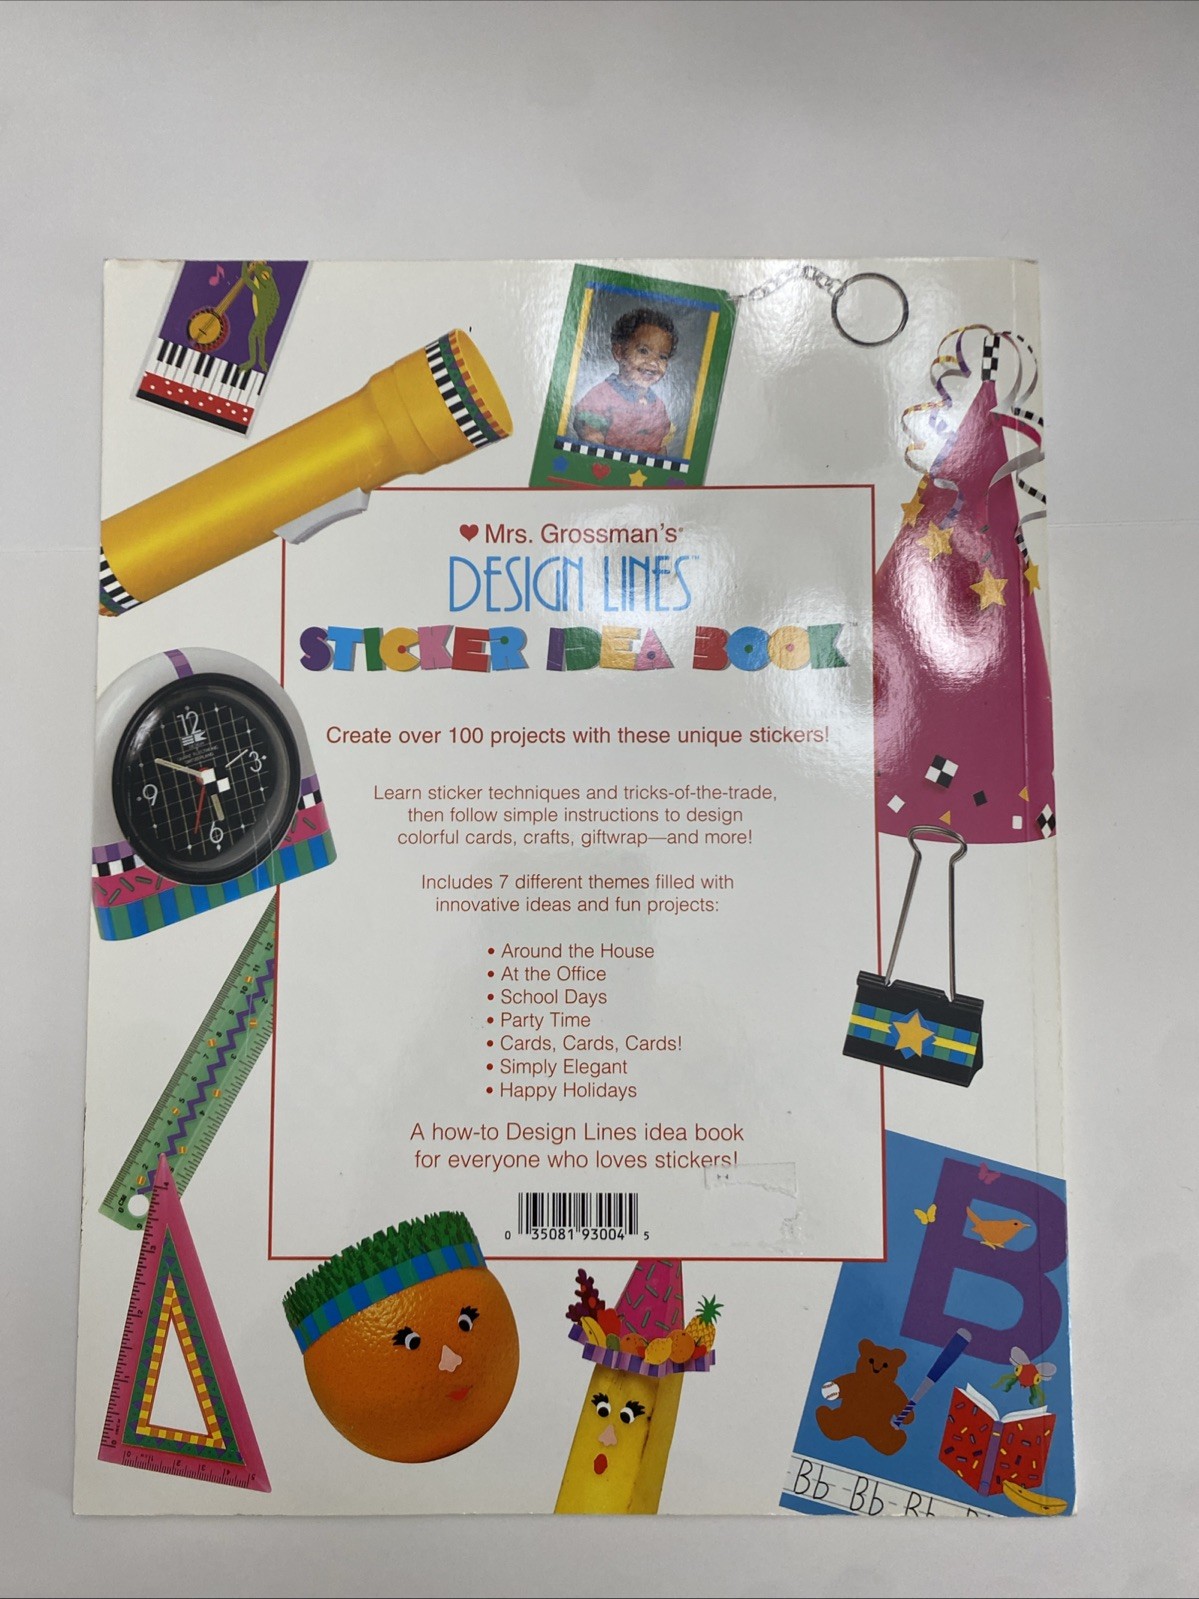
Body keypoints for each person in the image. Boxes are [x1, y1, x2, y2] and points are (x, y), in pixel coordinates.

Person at [572, 307, 677, 453]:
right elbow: (590, 436)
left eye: (662, 357)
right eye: (643, 351)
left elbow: (661, 447)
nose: (653, 363)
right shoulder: (602, 395)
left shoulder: (658, 406)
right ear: (619, 352)